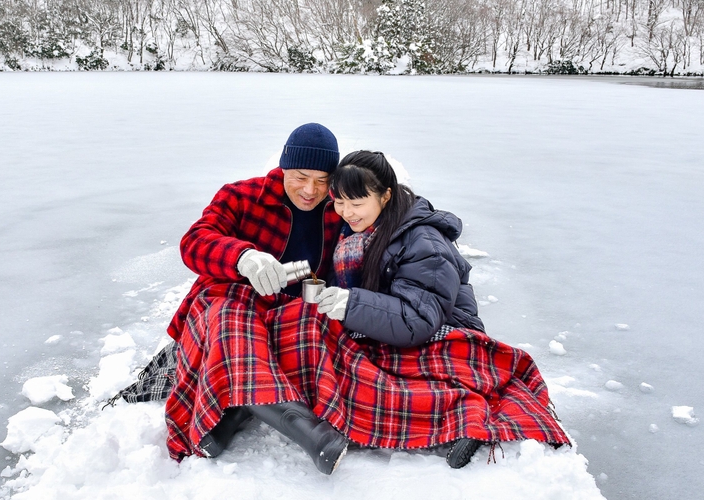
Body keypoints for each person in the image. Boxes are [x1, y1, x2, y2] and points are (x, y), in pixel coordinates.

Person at [296, 150, 569, 468]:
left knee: (377, 384)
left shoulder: (425, 242)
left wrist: (349, 304)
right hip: (391, 329)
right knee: (331, 361)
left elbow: (417, 320)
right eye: (340, 202)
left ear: (386, 196)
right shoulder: (359, 232)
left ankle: (467, 422)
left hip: (444, 334)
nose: (346, 212)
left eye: (356, 204)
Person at [162, 123, 350, 474]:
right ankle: (306, 428)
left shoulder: (337, 210)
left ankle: (235, 410)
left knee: (319, 327)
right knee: (234, 317)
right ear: (282, 167)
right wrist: (242, 257)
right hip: (226, 305)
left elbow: (380, 216)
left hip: (287, 314)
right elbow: (194, 242)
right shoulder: (241, 196)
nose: (310, 190)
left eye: (322, 180)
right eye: (300, 176)